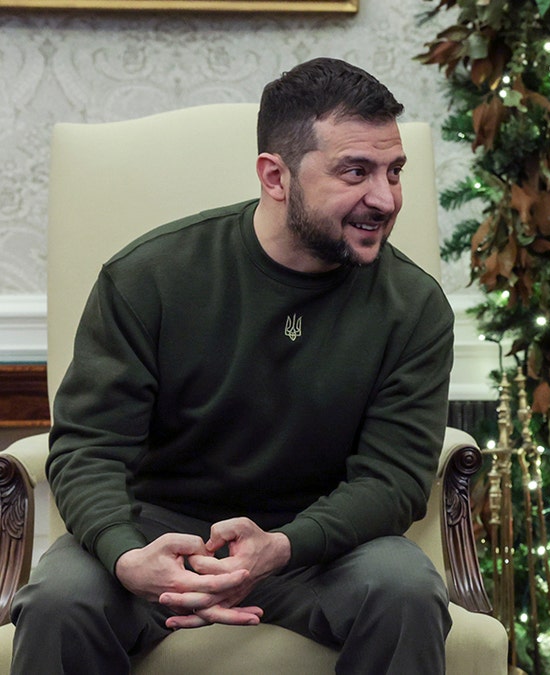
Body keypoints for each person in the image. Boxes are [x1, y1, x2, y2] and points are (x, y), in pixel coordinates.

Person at [10, 57, 454, 674]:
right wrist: (124, 554)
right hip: (157, 537)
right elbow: (88, 448)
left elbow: (394, 477)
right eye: (356, 171)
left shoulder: (415, 306)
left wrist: (283, 547)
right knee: (60, 600)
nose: (384, 198)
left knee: (404, 589)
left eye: (394, 172)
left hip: (316, 548)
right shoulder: (149, 278)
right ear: (276, 177)